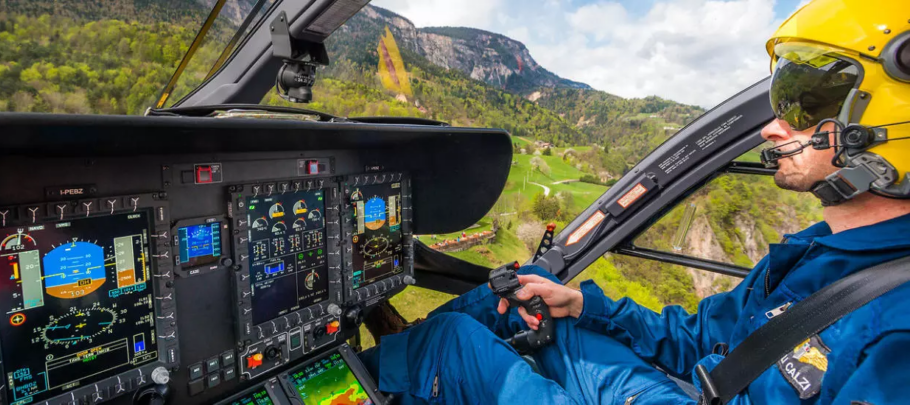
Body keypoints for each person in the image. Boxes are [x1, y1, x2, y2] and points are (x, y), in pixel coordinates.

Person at [358, 0, 910, 403]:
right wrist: (582, 305)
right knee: (522, 296)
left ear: (884, 123)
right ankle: (357, 376)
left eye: (804, 104)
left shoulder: (896, 332)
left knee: (455, 345)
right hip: (697, 387)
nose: (772, 128)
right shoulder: (815, 251)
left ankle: (341, 384)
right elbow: (701, 336)